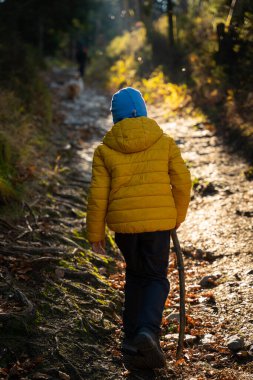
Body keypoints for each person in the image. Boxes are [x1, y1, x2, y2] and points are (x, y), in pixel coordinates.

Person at [86, 87, 191, 370]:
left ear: (116, 118)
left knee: (135, 276)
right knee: (156, 277)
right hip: (158, 225)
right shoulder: (164, 141)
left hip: (124, 227)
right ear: (143, 111)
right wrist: (176, 216)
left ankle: (131, 340)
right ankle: (148, 331)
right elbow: (182, 182)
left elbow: (97, 194)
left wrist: (95, 234)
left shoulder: (105, 150)